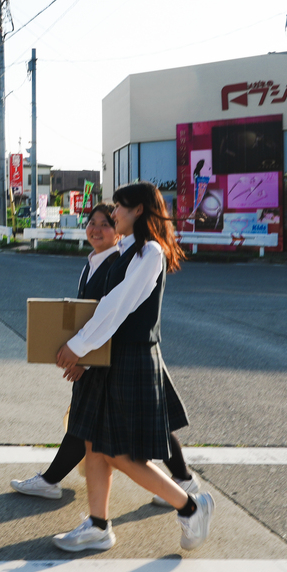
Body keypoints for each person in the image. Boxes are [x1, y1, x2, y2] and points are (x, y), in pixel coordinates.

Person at [49, 182, 215, 553]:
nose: (115, 215)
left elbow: (117, 307)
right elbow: (104, 307)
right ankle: (97, 524)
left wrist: (77, 348)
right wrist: (85, 352)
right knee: (93, 443)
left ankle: (190, 506)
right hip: (110, 358)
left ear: (138, 210)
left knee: (121, 455)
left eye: (120, 209)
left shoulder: (149, 253)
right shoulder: (125, 250)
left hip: (130, 359)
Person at [9, 207, 201, 506]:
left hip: (112, 356)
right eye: (92, 223)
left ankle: (54, 483)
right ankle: (182, 479)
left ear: (120, 230)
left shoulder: (121, 262)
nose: (96, 229)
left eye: (106, 224)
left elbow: (113, 316)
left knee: (94, 425)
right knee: (112, 423)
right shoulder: (95, 262)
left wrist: (83, 358)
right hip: (102, 353)